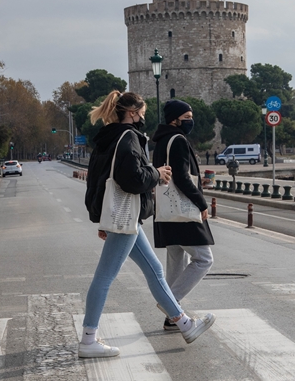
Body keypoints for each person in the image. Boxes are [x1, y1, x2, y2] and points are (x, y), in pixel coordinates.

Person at [82, 91, 215, 358]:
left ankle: (184, 324)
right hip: (125, 216)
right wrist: (157, 173)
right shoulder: (128, 137)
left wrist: (100, 216)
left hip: (121, 216)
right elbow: (132, 178)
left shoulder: (106, 137)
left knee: (154, 269)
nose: (143, 117)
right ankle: (88, 339)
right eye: (141, 113)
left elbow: (96, 178)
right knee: (104, 276)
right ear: (131, 113)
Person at [151, 100, 214, 331]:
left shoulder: (161, 142)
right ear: (174, 119)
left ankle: (171, 319)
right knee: (204, 259)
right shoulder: (177, 140)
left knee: (177, 262)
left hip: (166, 211)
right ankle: (171, 305)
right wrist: (201, 202)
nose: (191, 120)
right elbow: (182, 177)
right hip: (183, 210)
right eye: (187, 116)